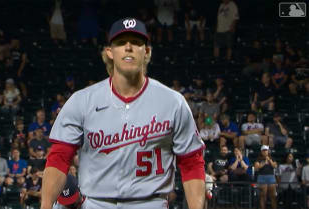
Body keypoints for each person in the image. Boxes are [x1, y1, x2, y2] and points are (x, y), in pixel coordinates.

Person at [41, 18, 205, 209]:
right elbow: (59, 157)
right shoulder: (82, 101)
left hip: (150, 203)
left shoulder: (173, 102)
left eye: (136, 42)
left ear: (147, 52)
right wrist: (45, 206)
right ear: (110, 52)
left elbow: (191, 162)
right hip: (97, 203)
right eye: (121, 43)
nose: (128, 47)